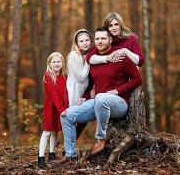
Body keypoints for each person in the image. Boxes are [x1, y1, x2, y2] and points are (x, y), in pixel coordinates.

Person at [58, 27, 142, 163]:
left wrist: (118, 91)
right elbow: (90, 82)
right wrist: (84, 96)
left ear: (110, 39)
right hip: (97, 101)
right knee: (67, 115)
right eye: (97, 39)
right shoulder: (94, 59)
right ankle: (70, 154)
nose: (100, 41)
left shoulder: (121, 57)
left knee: (101, 97)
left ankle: (100, 138)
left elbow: (137, 79)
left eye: (103, 38)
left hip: (119, 103)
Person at [38, 52, 68, 168]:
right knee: (47, 131)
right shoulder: (48, 76)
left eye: (58, 62)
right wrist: (61, 110)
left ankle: (52, 154)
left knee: (55, 130)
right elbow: (53, 95)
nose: (56, 64)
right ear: (49, 64)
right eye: (54, 62)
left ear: (62, 63)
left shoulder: (65, 76)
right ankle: (40, 158)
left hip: (61, 107)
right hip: (51, 108)